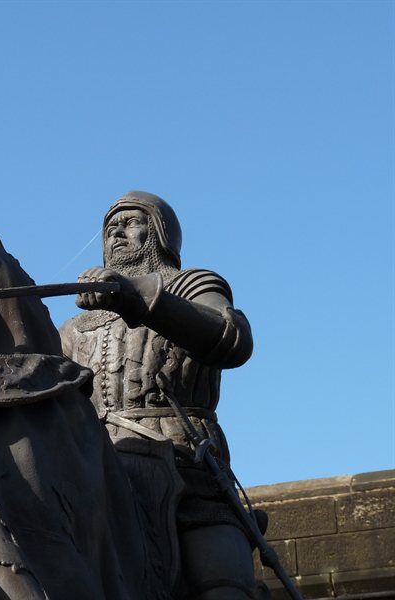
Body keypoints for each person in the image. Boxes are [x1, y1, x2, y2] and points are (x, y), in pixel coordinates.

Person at [60, 191, 258, 600]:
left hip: (185, 456)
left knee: (221, 579)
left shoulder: (193, 285)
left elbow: (232, 338)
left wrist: (139, 298)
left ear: (161, 233)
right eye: (110, 226)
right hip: (102, 466)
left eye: (132, 222)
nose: (117, 230)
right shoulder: (74, 328)